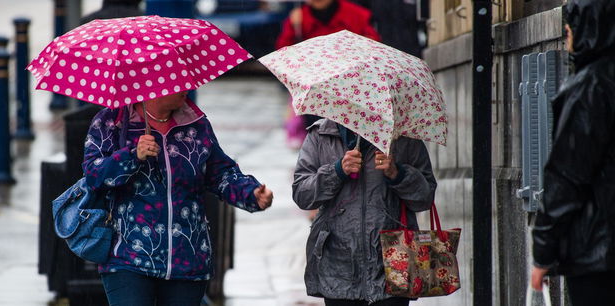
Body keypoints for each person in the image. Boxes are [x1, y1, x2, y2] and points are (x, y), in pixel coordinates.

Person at [83, 91, 274, 306]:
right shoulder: (111, 122)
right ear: (152, 85)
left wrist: (251, 193)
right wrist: (132, 155)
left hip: (188, 258)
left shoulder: (196, 124)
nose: (186, 88)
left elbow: (220, 173)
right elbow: (93, 176)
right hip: (128, 258)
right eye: (176, 81)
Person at [292, 119, 437, 306]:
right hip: (338, 266)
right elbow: (302, 195)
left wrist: (398, 173)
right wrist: (337, 171)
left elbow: (425, 198)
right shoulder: (320, 135)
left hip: (393, 263)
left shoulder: (403, 136)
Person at [530, 0, 615, 304]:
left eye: (572, 27)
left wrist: (543, 252)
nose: (567, 34)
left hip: (598, 254)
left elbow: (566, 177)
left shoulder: (589, 87)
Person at [276, 0, 381, 150]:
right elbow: (283, 51)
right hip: (313, 88)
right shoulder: (299, 17)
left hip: (347, 88)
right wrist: (294, 26)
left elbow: (373, 43)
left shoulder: (355, 14)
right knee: (316, 137)